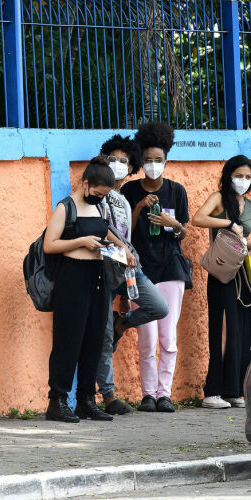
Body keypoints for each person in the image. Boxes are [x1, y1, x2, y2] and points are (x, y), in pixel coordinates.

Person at [43, 156, 136, 423]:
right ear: (85, 184)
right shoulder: (66, 207)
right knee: (68, 341)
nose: (99, 198)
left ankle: (86, 400)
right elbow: (50, 245)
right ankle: (58, 400)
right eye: (96, 193)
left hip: (98, 277)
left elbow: (105, 231)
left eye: (104, 195)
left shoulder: (98, 208)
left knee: (94, 340)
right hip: (72, 277)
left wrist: (123, 248)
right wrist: (82, 241)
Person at [96, 135, 169, 416]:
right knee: (102, 336)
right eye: (112, 159)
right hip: (102, 266)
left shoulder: (124, 200)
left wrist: (126, 302)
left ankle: (121, 324)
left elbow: (126, 235)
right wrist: (118, 246)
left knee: (158, 306)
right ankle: (109, 394)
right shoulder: (97, 192)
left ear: (131, 167)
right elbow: (97, 226)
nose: (117, 165)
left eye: (123, 161)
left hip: (128, 268)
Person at [122, 122, 190, 414]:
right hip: (141, 269)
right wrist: (138, 207)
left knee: (168, 337)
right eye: (147, 160)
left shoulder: (177, 191)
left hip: (171, 268)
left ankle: (165, 394)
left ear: (166, 161)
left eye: (158, 160)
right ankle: (147, 394)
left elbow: (184, 231)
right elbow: (123, 231)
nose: (152, 165)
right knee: (147, 336)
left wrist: (173, 224)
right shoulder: (129, 190)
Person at [191, 155, 251, 409]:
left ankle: (234, 390)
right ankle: (212, 391)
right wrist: (230, 223)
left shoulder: (249, 204)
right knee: (223, 329)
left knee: (242, 332)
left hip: (244, 274)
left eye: (247, 177)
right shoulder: (218, 199)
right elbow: (198, 219)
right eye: (238, 176)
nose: (243, 181)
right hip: (221, 271)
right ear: (229, 176)